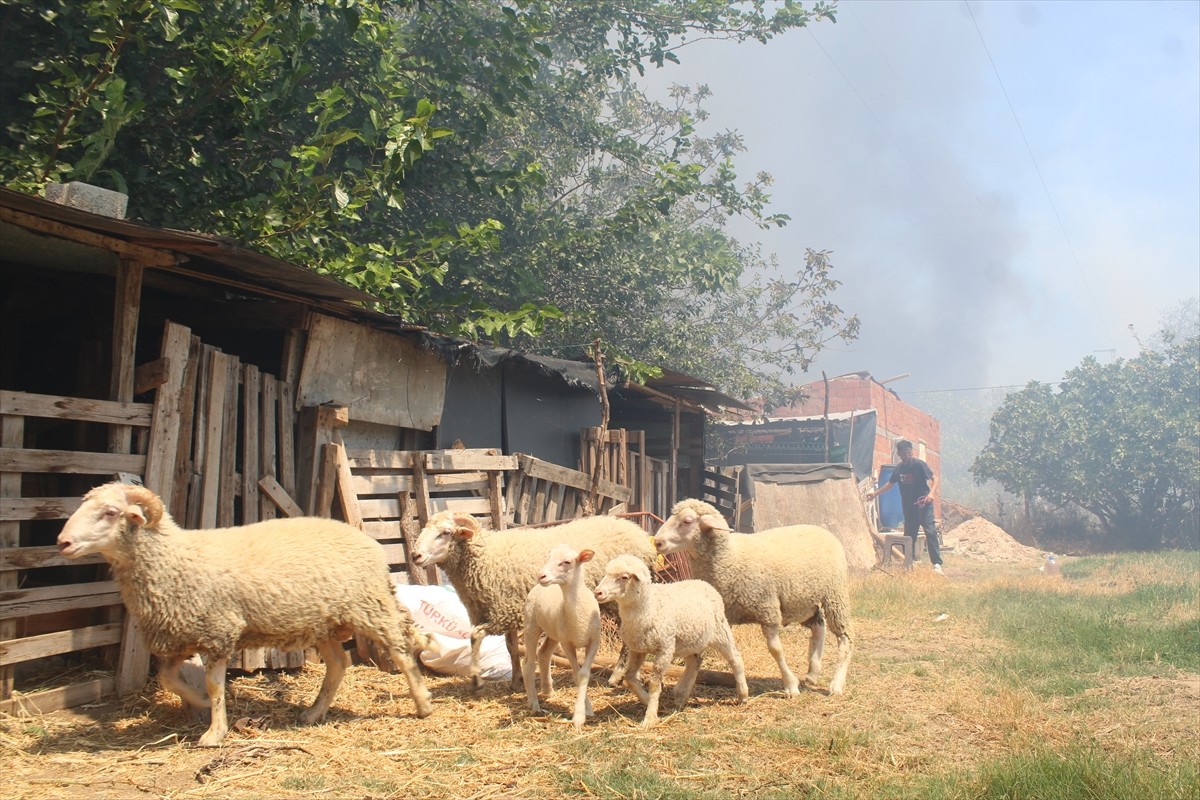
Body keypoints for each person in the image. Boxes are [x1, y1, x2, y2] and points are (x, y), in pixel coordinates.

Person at [866, 439, 944, 574]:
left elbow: (935, 479)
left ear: (911, 452)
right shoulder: (899, 469)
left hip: (924, 505)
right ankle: (909, 562)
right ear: (899, 454)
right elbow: (889, 484)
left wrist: (931, 494)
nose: (907, 455)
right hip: (909, 507)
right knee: (909, 535)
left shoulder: (919, 465)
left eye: (909, 452)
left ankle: (936, 564)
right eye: (904, 453)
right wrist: (875, 493)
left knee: (930, 532)